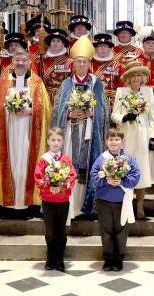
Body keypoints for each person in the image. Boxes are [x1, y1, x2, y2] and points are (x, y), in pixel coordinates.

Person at [0, 48, 51, 215]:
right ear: (12, 62)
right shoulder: (4, 81)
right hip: (9, 130)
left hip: (29, 130)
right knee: (10, 163)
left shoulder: (37, 82)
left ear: (29, 62)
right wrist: (8, 109)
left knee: (26, 163)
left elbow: (46, 109)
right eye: (17, 60)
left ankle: (30, 204)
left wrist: (31, 111)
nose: (20, 63)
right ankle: (6, 203)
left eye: (23, 60)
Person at [51, 36, 109, 219]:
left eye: (84, 61)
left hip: (90, 133)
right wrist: (68, 115)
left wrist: (92, 113)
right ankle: (69, 206)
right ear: (73, 63)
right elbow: (56, 111)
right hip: (70, 134)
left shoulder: (97, 84)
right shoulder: (66, 84)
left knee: (88, 166)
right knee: (70, 165)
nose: (82, 64)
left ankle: (87, 206)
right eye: (78, 61)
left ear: (89, 63)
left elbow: (105, 110)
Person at [90, 128, 141, 272]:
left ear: (122, 142)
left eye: (117, 139)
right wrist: (106, 180)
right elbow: (94, 176)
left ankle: (118, 259)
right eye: (111, 139)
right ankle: (108, 259)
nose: (114, 142)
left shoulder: (128, 159)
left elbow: (136, 175)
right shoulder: (102, 158)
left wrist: (122, 181)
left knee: (121, 231)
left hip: (122, 201)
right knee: (106, 231)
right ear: (106, 142)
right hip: (104, 202)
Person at [111, 61, 154, 219]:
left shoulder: (148, 92)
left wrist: (153, 137)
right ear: (128, 78)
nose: (137, 78)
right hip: (127, 138)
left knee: (142, 171)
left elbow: (153, 118)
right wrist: (124, 117)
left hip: (144, 138)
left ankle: (140, 206)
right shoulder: (121, 92)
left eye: (139, 75)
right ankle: (127, 204)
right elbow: (114, 115)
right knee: (126, 170)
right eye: (133, 75)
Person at [34, 127, 77, 272]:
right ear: (48, 141)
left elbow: (72, 176)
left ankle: (60, 259)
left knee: (61, 232)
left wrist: (62, 187)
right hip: (48, 201)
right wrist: (49, 187)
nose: (56, 142)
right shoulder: (44, 160)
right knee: (50, 232)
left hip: (63, 200)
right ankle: (50, 259)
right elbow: (38, 177)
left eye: (59, 140)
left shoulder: (66, 159)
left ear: (62, 142)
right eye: (53, 140)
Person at [39, 29, 73, 104]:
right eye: (53, 41)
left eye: (58, 41)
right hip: (46, 98)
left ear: (63, 44)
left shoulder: (70, 62)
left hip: (64, 98)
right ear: (49, 44)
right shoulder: (42, 62)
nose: (55, 43)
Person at [91, 33, 121, 111]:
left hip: (112, 102)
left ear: (110, 49)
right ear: (96, 48)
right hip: (93, 101)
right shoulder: (88, 64)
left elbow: (121, 86)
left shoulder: (117, 65)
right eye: (100, 46)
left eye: (105, 46)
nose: (103, 48)